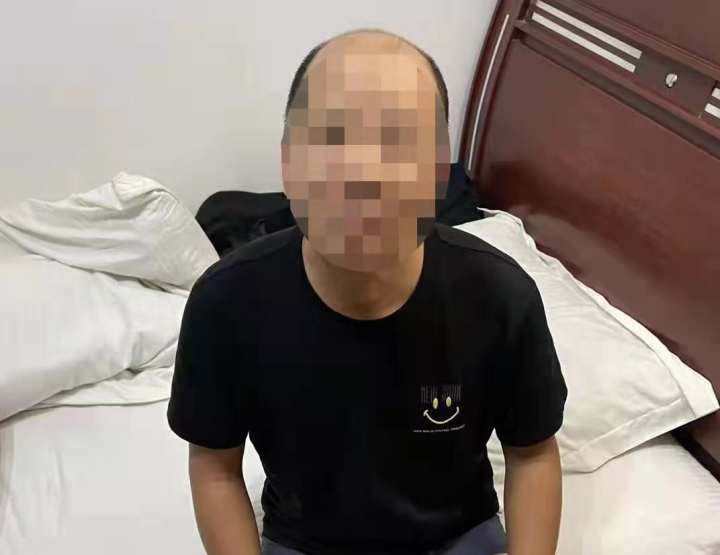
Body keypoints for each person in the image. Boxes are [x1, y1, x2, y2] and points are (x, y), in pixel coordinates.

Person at [167, 28, 568, 555]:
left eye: (399, 141)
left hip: (456, 535)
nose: (365, 174)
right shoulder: (225, 304)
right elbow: (215, 466)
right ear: (288, 163)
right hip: (304, 540)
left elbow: (532, 454)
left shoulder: (499, 297)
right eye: (332, 138)